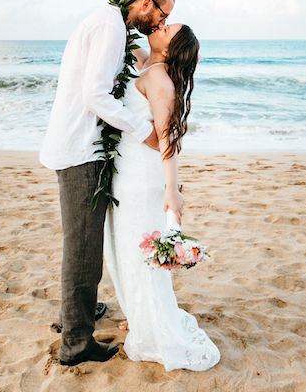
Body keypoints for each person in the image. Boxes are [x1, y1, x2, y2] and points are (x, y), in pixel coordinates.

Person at [39, 0, 174, 366]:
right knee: (83, 249)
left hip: (83, 146)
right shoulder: (111, 26)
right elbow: (95, 94)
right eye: (162, 14)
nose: (159, 23)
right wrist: (142, 129)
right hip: (81, 149)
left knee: (83, 243)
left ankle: (75, 317)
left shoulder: (110, 24)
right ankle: (77, 342)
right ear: (146, 3)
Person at [103, 22, 220, 371]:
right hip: (127, 171)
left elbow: (168, 139)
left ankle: (151, 324)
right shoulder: (146, 64)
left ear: (169, 49)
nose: (161, 25)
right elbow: (125, 38)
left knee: (137, 253)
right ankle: (140, 315)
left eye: (168, 28)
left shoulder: (159, 79)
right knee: (124, 250)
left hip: (141, 178)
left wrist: (172, 190)